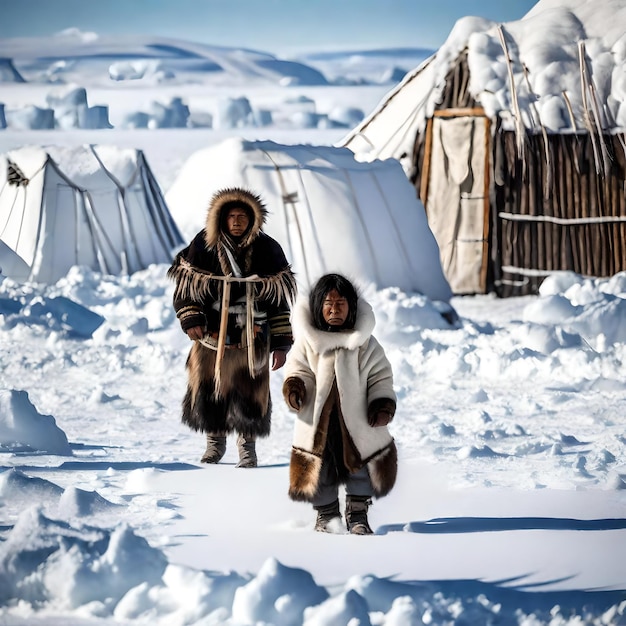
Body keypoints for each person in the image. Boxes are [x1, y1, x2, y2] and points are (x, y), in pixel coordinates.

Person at [168, 187, 297, 468]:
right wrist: (191, 319)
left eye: (242, 216)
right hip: (212, 337)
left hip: (252, 337)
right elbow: (186, 290)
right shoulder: (203, 247)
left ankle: (246, 446)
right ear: (221, 219)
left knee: (250, 393)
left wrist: (281, 343)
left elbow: (277, 301)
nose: (237, 221)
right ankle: (215, 444)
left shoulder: (267, 249)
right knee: (211, 390)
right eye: (231, 216)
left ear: (253, 219)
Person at [282, 273, 397, 534]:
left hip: (357, 422)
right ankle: (327, 515)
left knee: (360, 467)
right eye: (328, 303)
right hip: (318, 422)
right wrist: (295, 388)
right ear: (317, 307)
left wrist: (381, 404)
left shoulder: (364, 344)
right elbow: (298, 370)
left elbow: (380, 375)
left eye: (341, 303)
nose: (334, 309)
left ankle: (357, 513)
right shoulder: (309, 343)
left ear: (352, 306)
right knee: (320, 469)